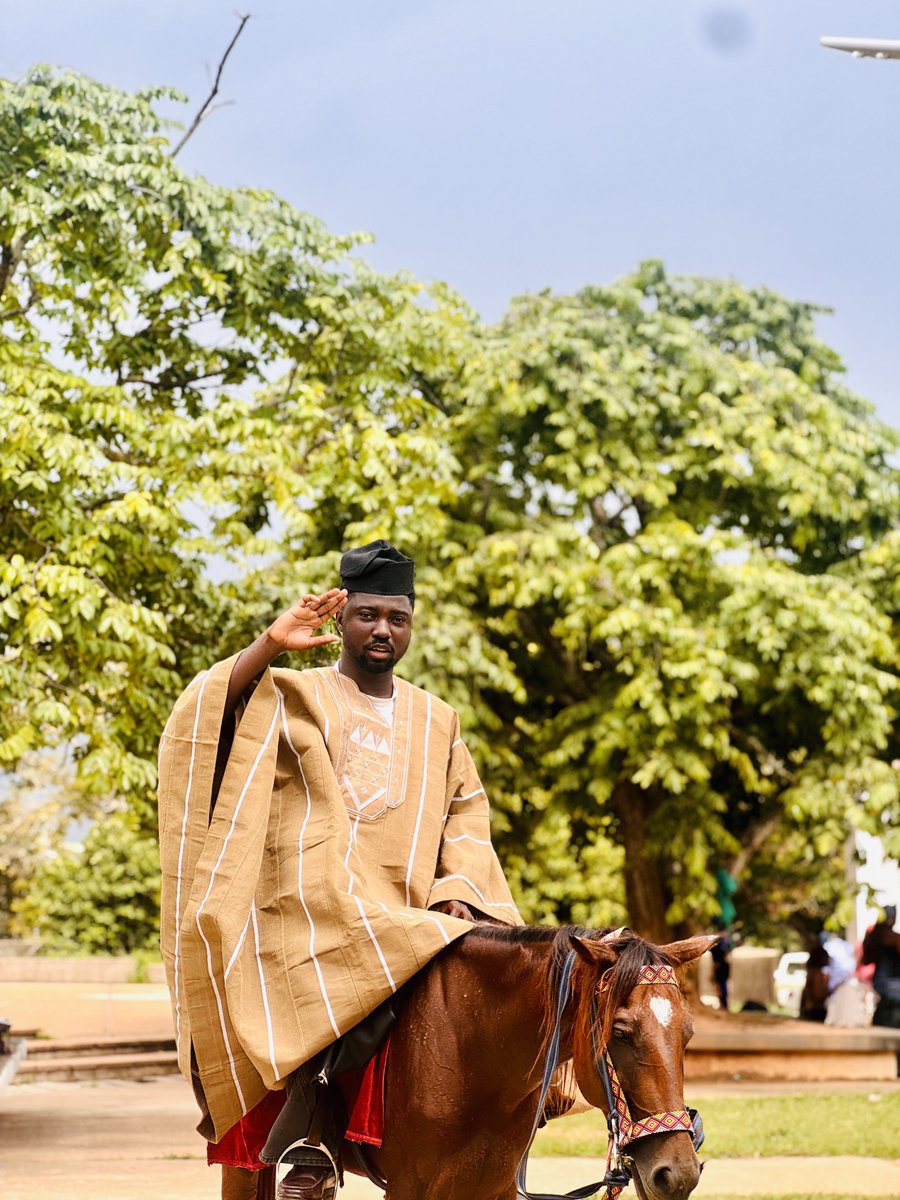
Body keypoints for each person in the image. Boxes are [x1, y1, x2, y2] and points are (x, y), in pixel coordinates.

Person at [158, 541, 520, 1200]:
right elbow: (206, 719)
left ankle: (501, 1139)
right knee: (327, 959)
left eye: (397, 618)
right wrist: (271, 643)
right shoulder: (295, 693)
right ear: (344, 618)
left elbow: (468, 818)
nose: (383, 629)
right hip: (306, 910)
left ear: (411, 626)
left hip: (410, 915)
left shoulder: (440, 721)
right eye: (368, 614)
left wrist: (458, 892)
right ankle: (310, 1133)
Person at [861, 905, 900, 1029]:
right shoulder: (893, 938)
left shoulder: (874, 937)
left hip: (882, 985)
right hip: (893, 986)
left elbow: (866, 960)